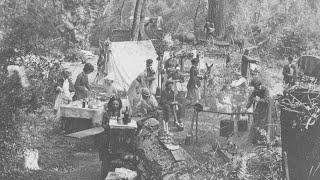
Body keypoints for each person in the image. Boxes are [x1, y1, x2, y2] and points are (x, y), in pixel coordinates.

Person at [100, 97, 123, 179]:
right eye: (113, 104)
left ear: (119, 105)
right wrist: (109, 126)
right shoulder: (106, 113)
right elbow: (103, 124)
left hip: (117, 135)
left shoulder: (121, 113)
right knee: (106, 156)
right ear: (111, 104)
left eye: (117, 104)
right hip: (108, 135)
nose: (115, 106)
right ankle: (105, 173)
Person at [245, 78, 271, 144]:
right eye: (254, 87)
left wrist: (259, 100)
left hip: (267, 107)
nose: (255, 88)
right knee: (255, 119)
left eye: (255, 87)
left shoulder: (265, 90)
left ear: (259, 85)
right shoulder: (255, 91)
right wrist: (246, 107)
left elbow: (267, 100)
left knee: (263, 122)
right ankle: (254, 139)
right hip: (260, 106)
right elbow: (251, 99)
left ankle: (264, 140)